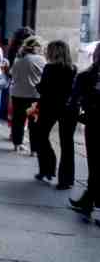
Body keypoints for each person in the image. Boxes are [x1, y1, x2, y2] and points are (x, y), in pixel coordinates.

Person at [35, 40, 77, 188]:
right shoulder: (73, 69)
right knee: (67, 143)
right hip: (69, 109)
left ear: (54, 52)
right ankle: (66, 180)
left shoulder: (49, 68)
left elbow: (43, 89)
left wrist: (37, 86)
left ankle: (47, 168)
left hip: (50, 107)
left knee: (41, 135)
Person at [69, 45, 100, 221]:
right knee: (95, 165)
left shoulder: (87, 76)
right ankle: (88, 200)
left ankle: (88, 200)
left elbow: (75, 100)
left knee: (95, 164)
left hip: (94, 123)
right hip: (94, 123)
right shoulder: (87, 76)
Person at [9, 36, 46, 155]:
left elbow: (12, 75)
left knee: (18, 120)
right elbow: (46, 76)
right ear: (35, 47)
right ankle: (34, 150)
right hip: (33, 95)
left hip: (18, 94)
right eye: (40, 46)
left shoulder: (18, 60)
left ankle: (17, 145)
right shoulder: (40, 60)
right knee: (34, 123)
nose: (41, 49)